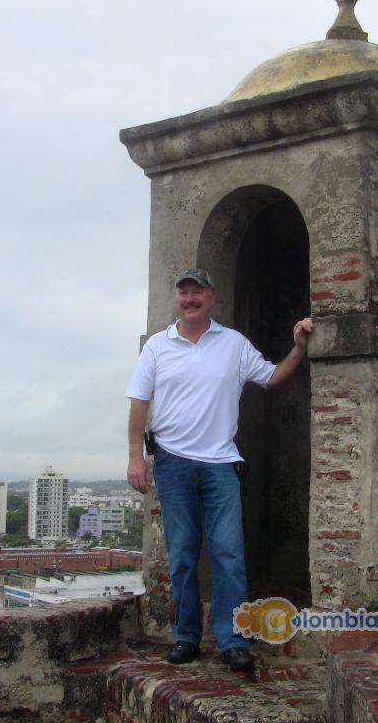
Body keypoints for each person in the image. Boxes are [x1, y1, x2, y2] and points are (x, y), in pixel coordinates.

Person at [126, 267, 312, 672]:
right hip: (172, 461)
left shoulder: (233, 344)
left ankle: (232, 640)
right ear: (178, 298)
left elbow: (271, 378)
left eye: (197, 292)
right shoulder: (158, 346)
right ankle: (186, 637)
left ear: (211, 298)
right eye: (183, 293)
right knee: (183, 555)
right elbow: (139, 403)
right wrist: (135, 457)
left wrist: (297, 349)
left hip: (221, 463)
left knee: (229, 554)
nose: (189, 299)